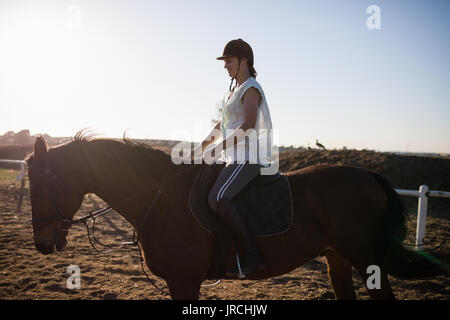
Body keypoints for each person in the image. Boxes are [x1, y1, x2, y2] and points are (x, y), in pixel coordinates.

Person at [190, 39, 274, 277]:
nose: (225, 66)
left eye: (229, 61)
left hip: (247, 157)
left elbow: (247, 125)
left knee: (217, 197)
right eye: (224, 62)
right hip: (233, 157)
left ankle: (252, 255)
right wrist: (202, 146)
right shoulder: (232, 92)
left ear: (244, 60)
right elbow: (223, 124)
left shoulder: (251, 88)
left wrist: (216, 150)